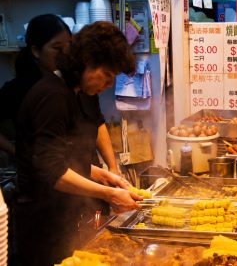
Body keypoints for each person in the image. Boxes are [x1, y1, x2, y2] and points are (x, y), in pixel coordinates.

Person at [14, 21, 141, 266]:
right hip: (44, 224)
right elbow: (53, 172)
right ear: (86, 61)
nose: (107, 85)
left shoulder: (76, 92)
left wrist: (107, 175)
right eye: (106, 76)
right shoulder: (52, 96)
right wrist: (109, 193)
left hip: (67, 216)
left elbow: (67, 158)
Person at [0, 14, 120, 176]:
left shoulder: (81, 82)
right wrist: (16, 151)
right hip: (50, 185)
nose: (65, 53)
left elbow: (97, 122)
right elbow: (54, 169)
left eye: (68, 46)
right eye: (57, 48)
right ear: (36, 51)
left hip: (86, 174)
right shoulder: (36, 91)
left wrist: (112, 168)